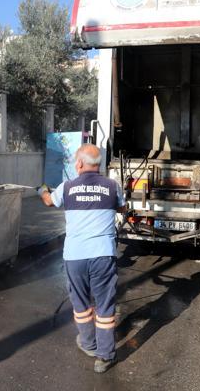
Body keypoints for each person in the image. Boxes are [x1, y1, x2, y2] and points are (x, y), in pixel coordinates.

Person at [38, 144, 126, 373]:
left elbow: (49, 201)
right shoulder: (112, 186)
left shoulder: (67, 187)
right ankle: (105, 357)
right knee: (105, 305)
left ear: (79, 164)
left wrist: (41, 190)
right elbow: (122, 208)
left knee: (80, 302)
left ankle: (88, 343)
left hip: (75, 256)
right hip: (103, 255)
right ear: (98, 165)